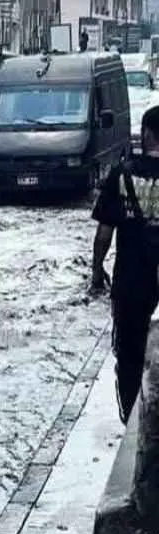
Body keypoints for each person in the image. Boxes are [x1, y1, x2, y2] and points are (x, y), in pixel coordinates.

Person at [91, 105, 159, 422]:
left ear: (145, 134)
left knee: (130, 356)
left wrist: (96, 270)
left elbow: (104, 233)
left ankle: (132, 418)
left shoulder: (122, 175)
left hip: (131, 283)